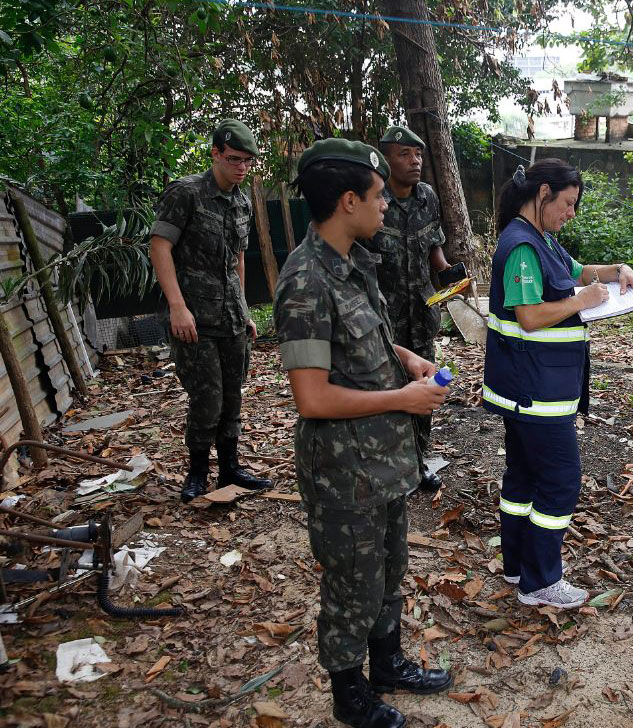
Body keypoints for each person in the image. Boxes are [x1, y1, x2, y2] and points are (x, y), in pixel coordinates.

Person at [273, 139, 453, 728]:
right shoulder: (304, 281)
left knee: (388, 568)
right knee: (352, 582)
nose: (385, 209)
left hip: (385, 458)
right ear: (348, 200)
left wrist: (406, 360)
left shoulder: (354, 261)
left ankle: (389, 662)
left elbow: (371, 336)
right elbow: (312, 396)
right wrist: (403, 399)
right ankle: (349, 693)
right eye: (377, 198)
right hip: (344, 469)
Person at [482, 159, 633, 609]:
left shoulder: (543, 240)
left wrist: (616, 270)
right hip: (535, 390)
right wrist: (582, 301)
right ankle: (541, 581)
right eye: (568, 204)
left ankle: (517, 567)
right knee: (560, 481)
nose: (571, 213)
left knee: (523, 479)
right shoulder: (520, 246)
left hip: (534, 386)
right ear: (544, 193)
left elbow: (577, 271)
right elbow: (530, 317)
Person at [149, 119, 272, 502]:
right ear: (216, 153)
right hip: (195, 319)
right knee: (207, 400)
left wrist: (246, 309)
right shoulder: (185, 193)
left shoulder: (241, 201)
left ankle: (230, 469)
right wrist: (177, 307)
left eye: (248, 162)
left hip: (231, 318)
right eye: (234, 159)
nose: (241, 167)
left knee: (232, 397)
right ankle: (198, 472)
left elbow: (237, 258)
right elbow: (160, 246)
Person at [368, 126, 452, 493]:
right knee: (383, 386)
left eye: (417, 154)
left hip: (421, 309)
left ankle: (419, 461)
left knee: (424, 384)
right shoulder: (374, 198)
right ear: (386, 159)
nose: (415, 160)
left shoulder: (428, 198)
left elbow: (433, 244)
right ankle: (384, 463)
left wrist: (448, 272)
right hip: (381, 313)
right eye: (404, 154)